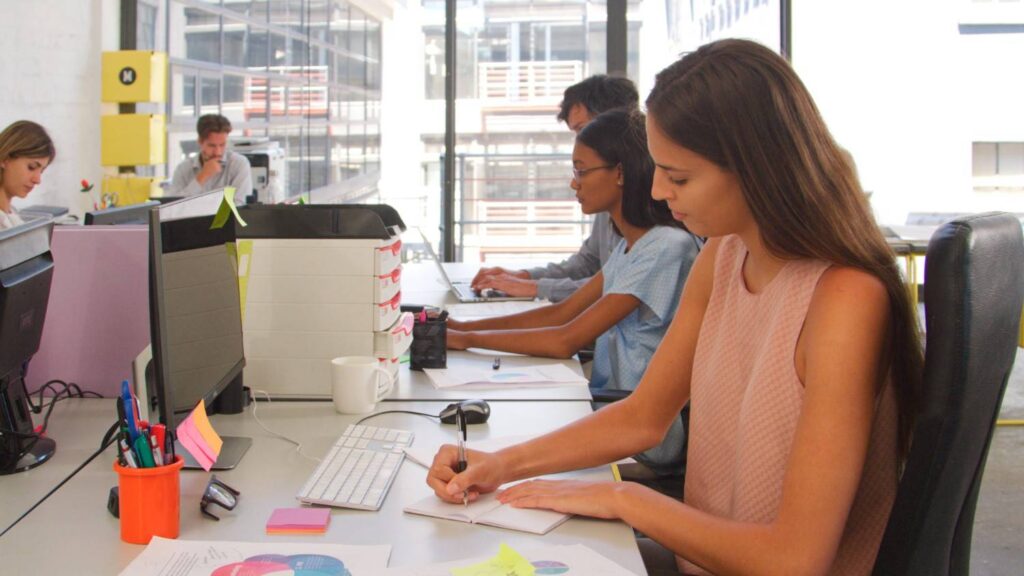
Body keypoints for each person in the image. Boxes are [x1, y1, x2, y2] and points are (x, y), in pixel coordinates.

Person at [428, 39, 923, 576]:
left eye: (679, 176)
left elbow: (794, 561)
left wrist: (625, 501)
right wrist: (502, 464)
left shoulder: (844, 300)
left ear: (757, 168)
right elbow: (643, 417)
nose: (659, 190)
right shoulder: (725, 256)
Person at [447, 108, 699, 474]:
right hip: (604, 408)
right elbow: (561, 313)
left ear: (621, 173)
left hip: (638, 431)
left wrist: (465, 339)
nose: (573, 183)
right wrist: (461, 329)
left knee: (504, 443)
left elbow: (566, 338)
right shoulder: (631, 246)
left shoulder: (666, 248)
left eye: (582, 170)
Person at [470, 75, 639, 302]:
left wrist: (534, 287)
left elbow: (612, 289)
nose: (579, 143)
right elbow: (589, 265)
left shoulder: (657, 228)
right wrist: (524, 277)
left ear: (614, 127)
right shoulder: (611, 200)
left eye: (583, 130)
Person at [168, 114, 252, 204]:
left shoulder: (239, 164)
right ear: (200, 141)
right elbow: (174, 208)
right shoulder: (183, 169)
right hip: (193, 218)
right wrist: (202, 176)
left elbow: (240, 205)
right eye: (212, 146)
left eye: (222, 145)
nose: (218, 152)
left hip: (227, 218)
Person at [0, 121, 56, 231]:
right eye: (32, 167)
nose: (37, 180)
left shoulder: (13, 215)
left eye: (41, 171)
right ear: (4, 159)